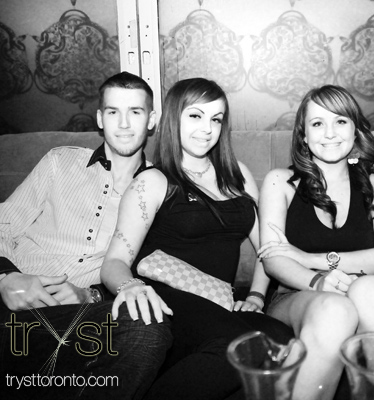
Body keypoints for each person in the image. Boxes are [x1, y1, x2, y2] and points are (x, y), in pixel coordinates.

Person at [100, 77, 294, 400]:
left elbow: (268, 249)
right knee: (243, 348)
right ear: (173, 118)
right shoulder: (153, 181)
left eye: (216, 119)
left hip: (220, 301)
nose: (207, 129)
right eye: (195, 116)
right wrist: (130, 286)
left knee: (283, 340)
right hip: (169, 298)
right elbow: (114, 262)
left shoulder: (238, 175)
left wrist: (257, 296)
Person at [0, 72, 172, 399]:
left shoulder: (158, 191)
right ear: (100, 118)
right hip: (7, 301)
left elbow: (145, 272)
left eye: (135, 112)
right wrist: (6, 278)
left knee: (148, 326)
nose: (124, 123)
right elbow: (3, 224)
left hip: (73, 322)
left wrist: (88, 296)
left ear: (151, 120)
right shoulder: (59, 161)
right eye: (113, 112)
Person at [258, 85, 374, 400]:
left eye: (340, 121)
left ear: (355, 130)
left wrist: (311, 258)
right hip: (295, 297)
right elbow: (273, 258)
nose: (329, 133)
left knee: (373, 290)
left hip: (361, 292)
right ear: (303, 135)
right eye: (317, 123)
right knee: (336, 309)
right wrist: (317, 281)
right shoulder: (279, 183)